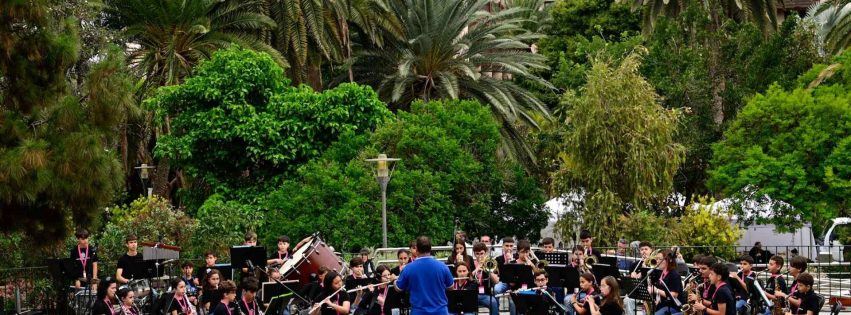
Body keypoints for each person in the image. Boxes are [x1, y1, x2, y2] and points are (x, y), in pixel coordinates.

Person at [394, 236, 454, 315]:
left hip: (418, 312)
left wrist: (394, 280)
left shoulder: (408, 268)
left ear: (417, 250)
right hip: (441, 311)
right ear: (430, 249)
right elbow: (451, 287)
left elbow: (399, 288)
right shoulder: (443, 266)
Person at [650, 249, 683, 315]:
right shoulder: (661, 273)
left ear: (668, 260)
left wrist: (656, 290)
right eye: (656, 259)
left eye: (659, 259)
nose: (657, 261)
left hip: (672, 306)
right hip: (662, 304)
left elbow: (674, 295)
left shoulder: (674, 274)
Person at [471, 243, 500, 315]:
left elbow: (496, 281)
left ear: (486, 253)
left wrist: (487, 270)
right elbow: (469, 279)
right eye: (477, 254)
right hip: (473, 294)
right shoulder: (471, 264)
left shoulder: (490, 264)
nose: (480, 256)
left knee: (493, 302)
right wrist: (477, 269)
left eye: (482, 253)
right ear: (474, 254)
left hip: (485, 294)